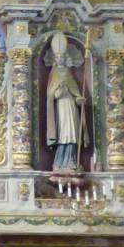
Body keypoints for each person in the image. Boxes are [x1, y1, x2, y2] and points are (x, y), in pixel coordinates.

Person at [46, 30, 85, 171]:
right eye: (57, 57)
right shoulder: (54, 73)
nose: (60, 59)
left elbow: (75, 89)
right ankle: (60, 160)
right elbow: (51, 95)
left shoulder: (68, 72)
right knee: (63, 134)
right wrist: (59, 90)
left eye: (62, 56)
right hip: (60, 107)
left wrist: (78, 98)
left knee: (73, 133)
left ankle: (72, 160)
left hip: (71, 106)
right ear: (55, 59)